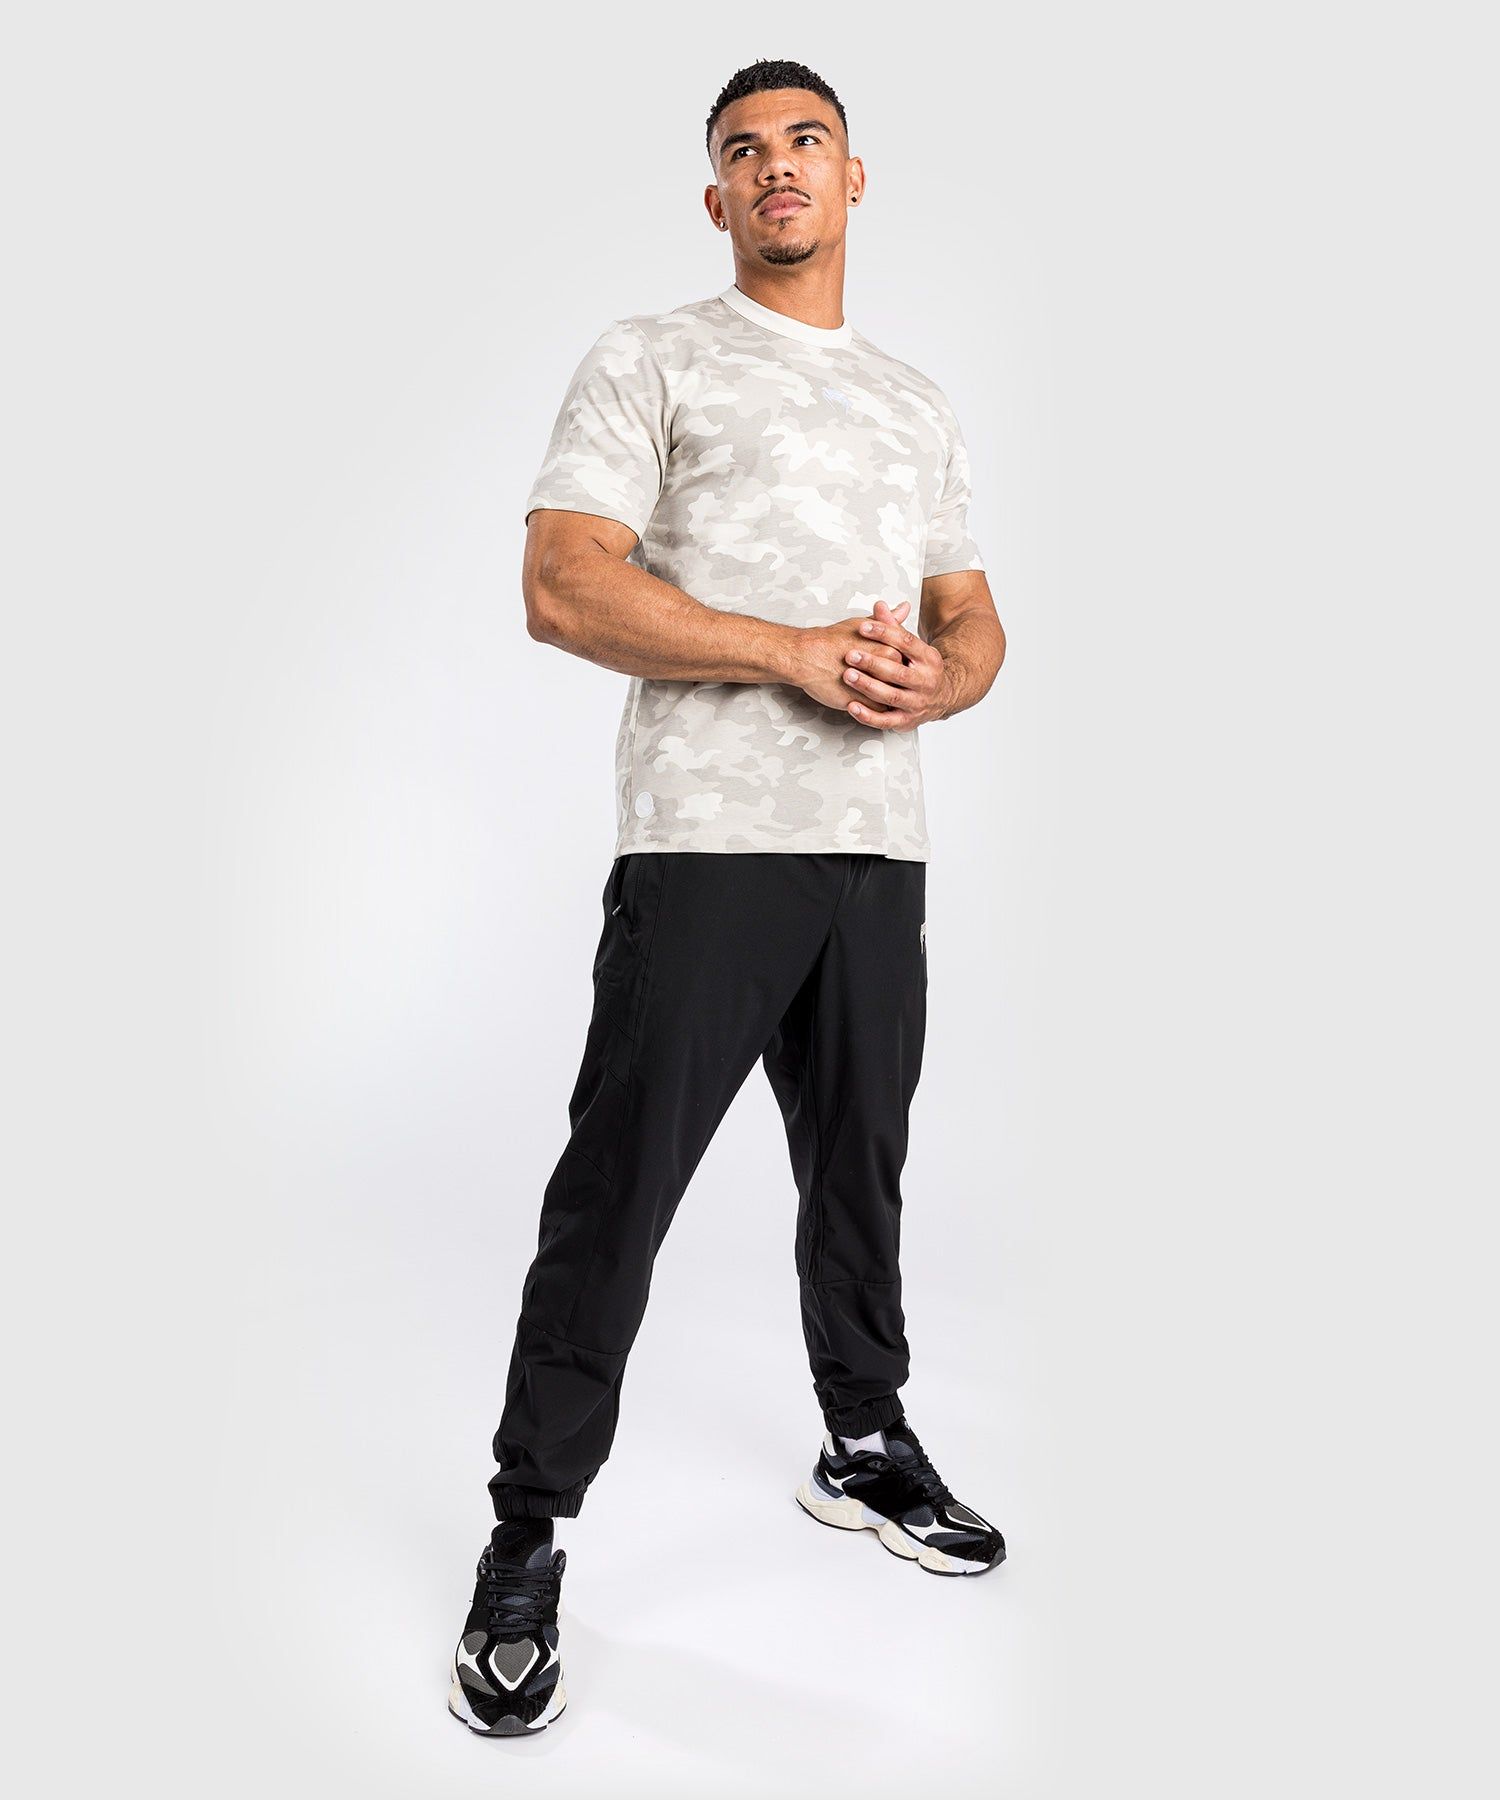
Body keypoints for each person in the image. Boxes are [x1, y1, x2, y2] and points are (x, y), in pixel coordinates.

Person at [448, 57, 1009, 1737]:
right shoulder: (655, 356)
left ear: (854, 179)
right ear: (716, 198)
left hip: (877, 847)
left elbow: (973, 615)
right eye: (746, 150)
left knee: (863, 1174)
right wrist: (790, 652)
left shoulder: (914, 399)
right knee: (618, 1191)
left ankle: (865, 1441)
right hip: (705, 843)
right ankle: (529, 1529)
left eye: (807, 142)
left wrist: (943, 676)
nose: (779, 167)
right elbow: (562, 587)